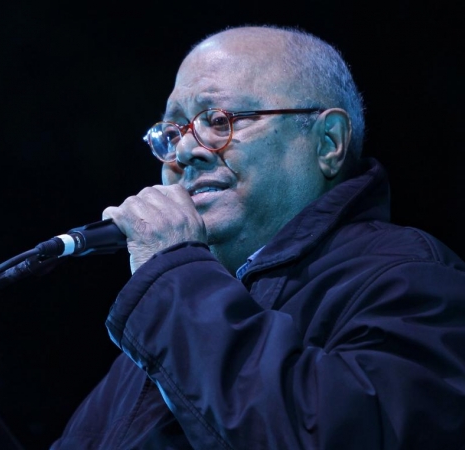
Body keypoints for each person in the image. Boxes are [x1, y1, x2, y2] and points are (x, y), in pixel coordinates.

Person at [50, 25, 465, 449]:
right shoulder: (153, 341)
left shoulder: (413, 278)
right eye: (171, 133)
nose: (184, 152)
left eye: (218, 120)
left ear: (328, 143)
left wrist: (173, 275)